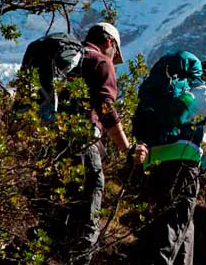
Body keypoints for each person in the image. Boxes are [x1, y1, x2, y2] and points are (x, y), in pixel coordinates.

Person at [133, 54, 206, 265]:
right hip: (183, 163)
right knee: (175, 222)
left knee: (176, 222)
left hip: (154, 161)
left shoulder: (176, 92)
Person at [69, 22, 130, 264]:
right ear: (109, 43)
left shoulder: (70, 59)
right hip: (83, 141)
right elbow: (106, 107)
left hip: (49, 142)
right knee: (90, 197)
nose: (114, 60)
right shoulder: (100, 62)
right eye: (115, 54)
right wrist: (125, 148)